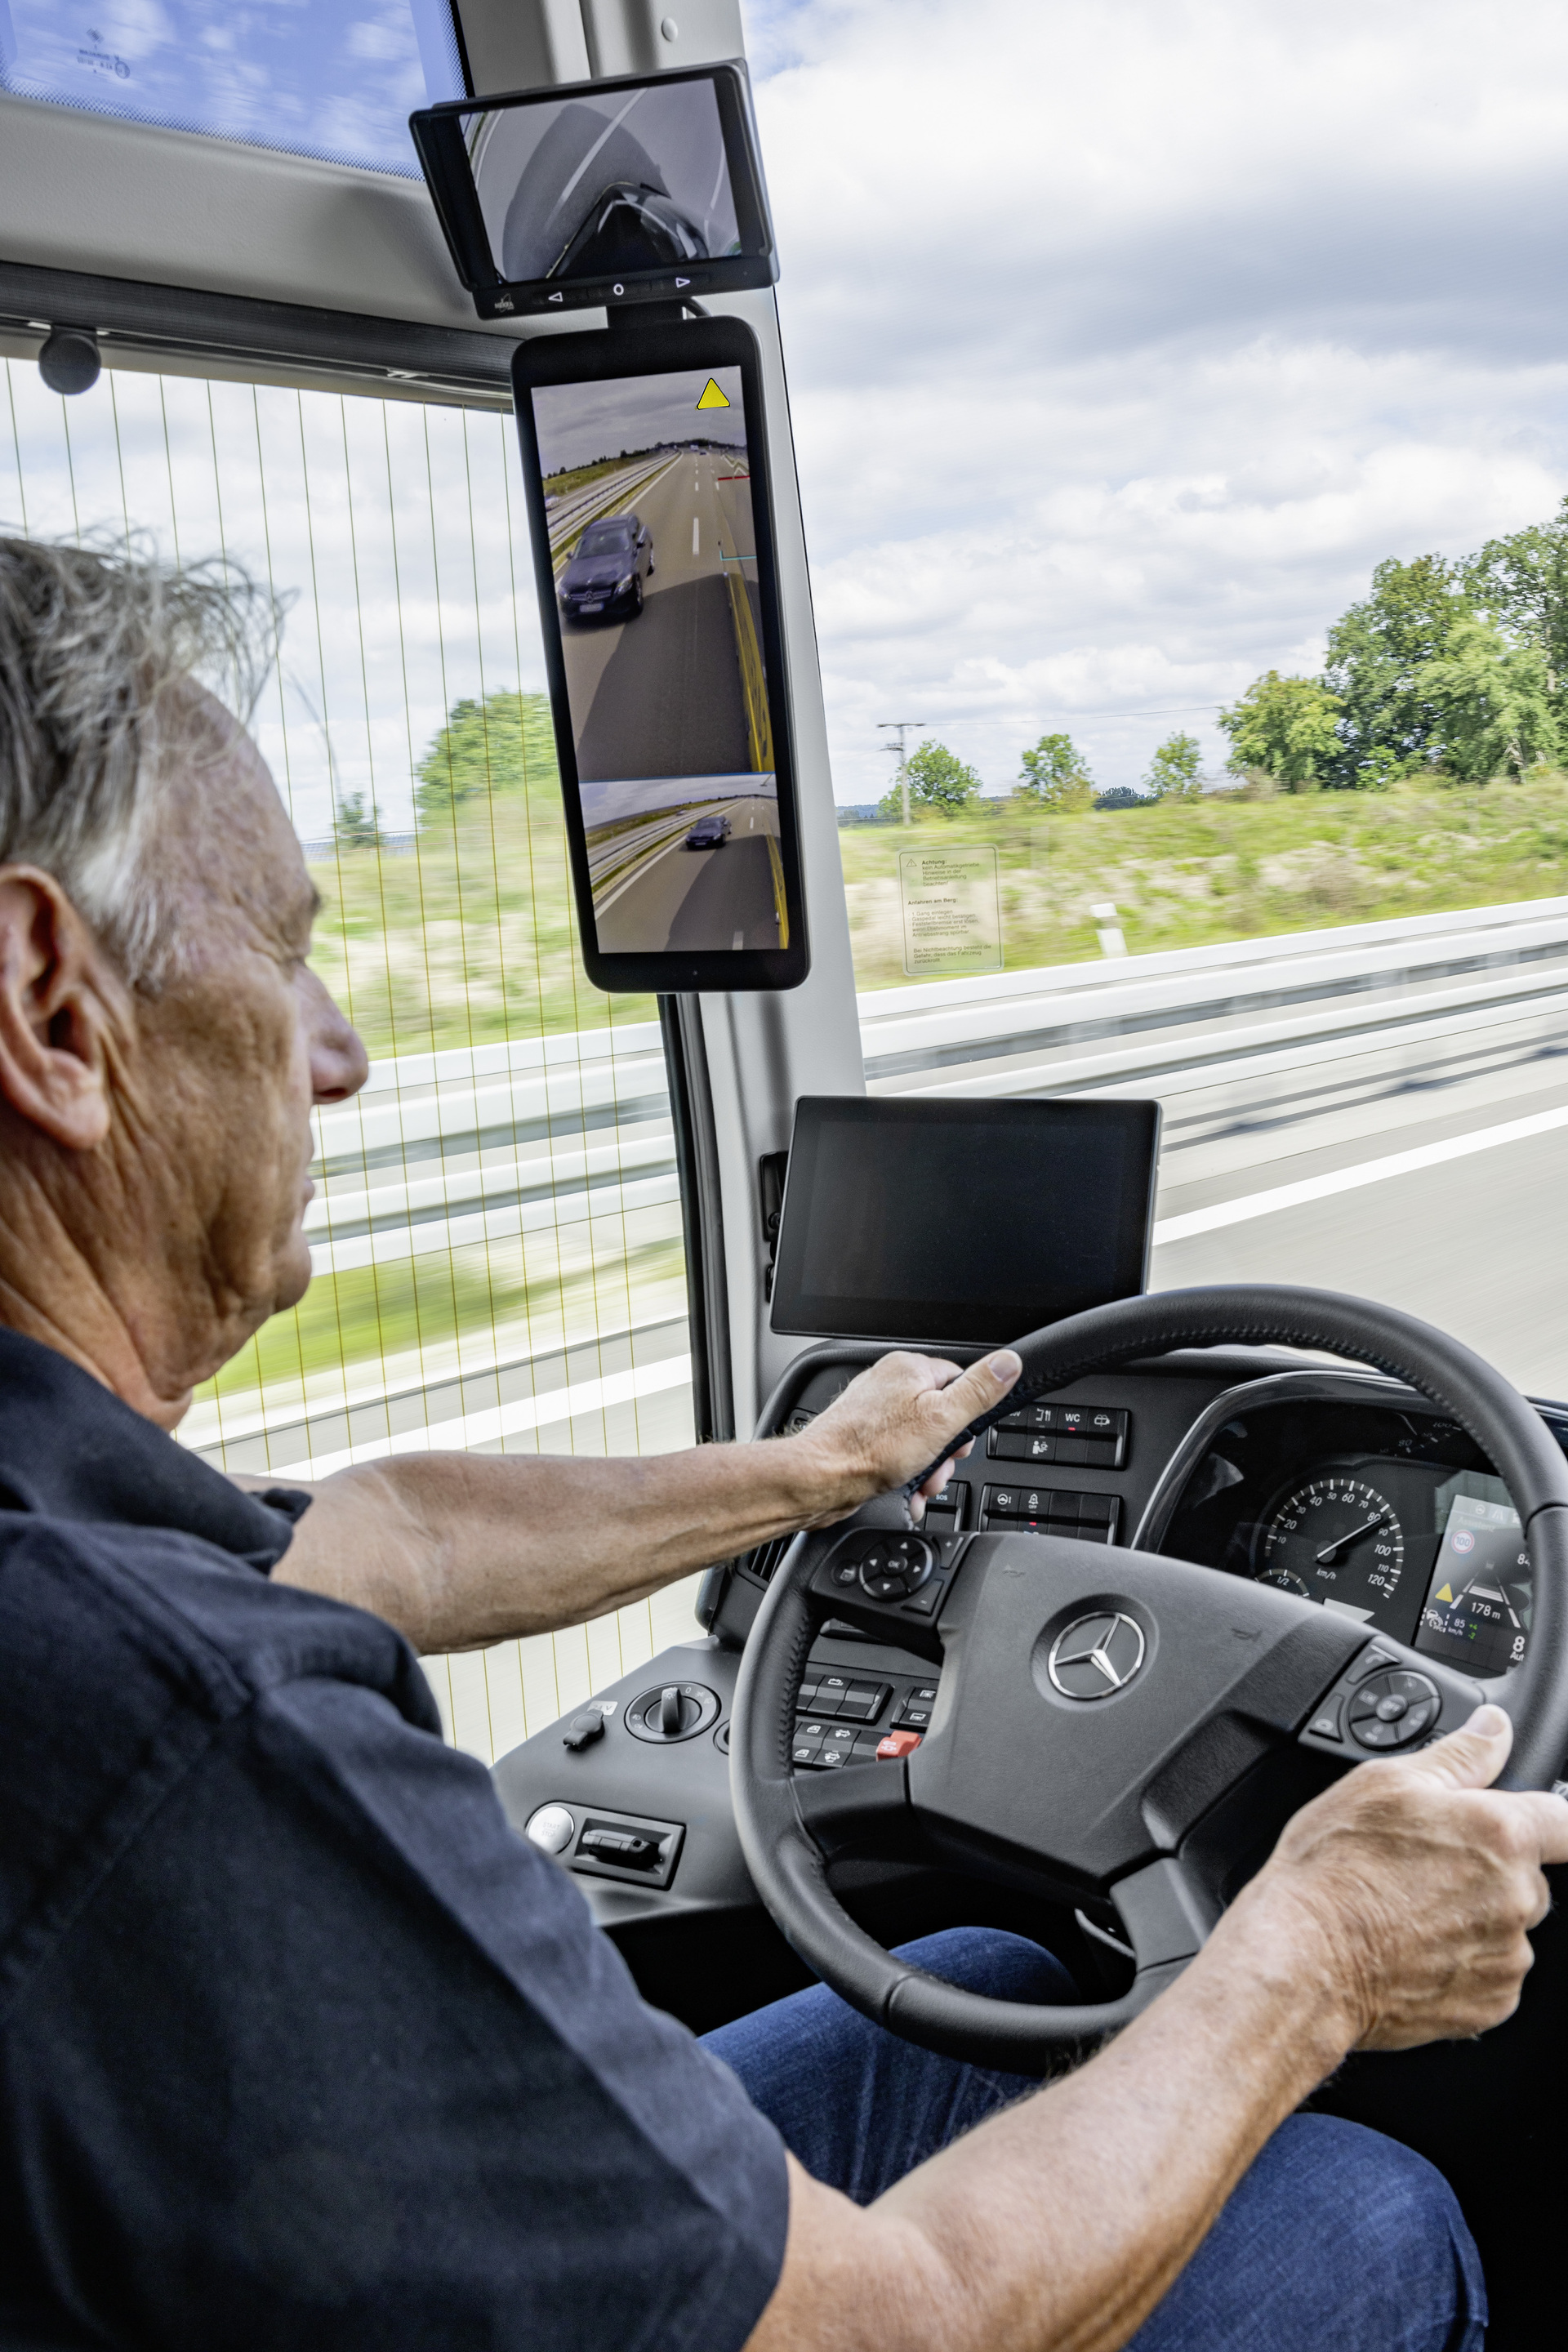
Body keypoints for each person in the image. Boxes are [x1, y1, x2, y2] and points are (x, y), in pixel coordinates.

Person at [0, 537, 1557, 2352]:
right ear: (51, 1005)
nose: (336, 1056)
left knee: (975, 1977)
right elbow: (896, 2328)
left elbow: (393, 1538)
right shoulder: (195, 1738)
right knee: (1375, 2213)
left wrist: (821, 1472)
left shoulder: (74, 1543)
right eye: (283, 960)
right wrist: (1316, 1956)